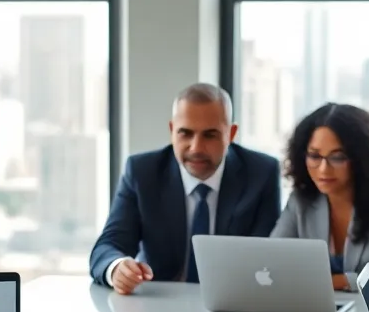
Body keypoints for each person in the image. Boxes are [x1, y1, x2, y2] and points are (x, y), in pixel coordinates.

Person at [89, 83, 281, 294]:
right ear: (172, 130)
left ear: (231, 133)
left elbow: (268, 255)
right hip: (159, 305)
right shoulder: (143, 172)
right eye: (185, 133)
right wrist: (117, 268)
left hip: (232, 303)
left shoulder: (261, 174)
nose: (196, 148)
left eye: (210, 135)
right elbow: (108, 245)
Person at [270, 103, 369, 295]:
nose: (324, 169)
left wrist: (339, 281)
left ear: (361, 158)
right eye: (315, 156)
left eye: (338, 157)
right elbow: (272, 264)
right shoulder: (300, 201)